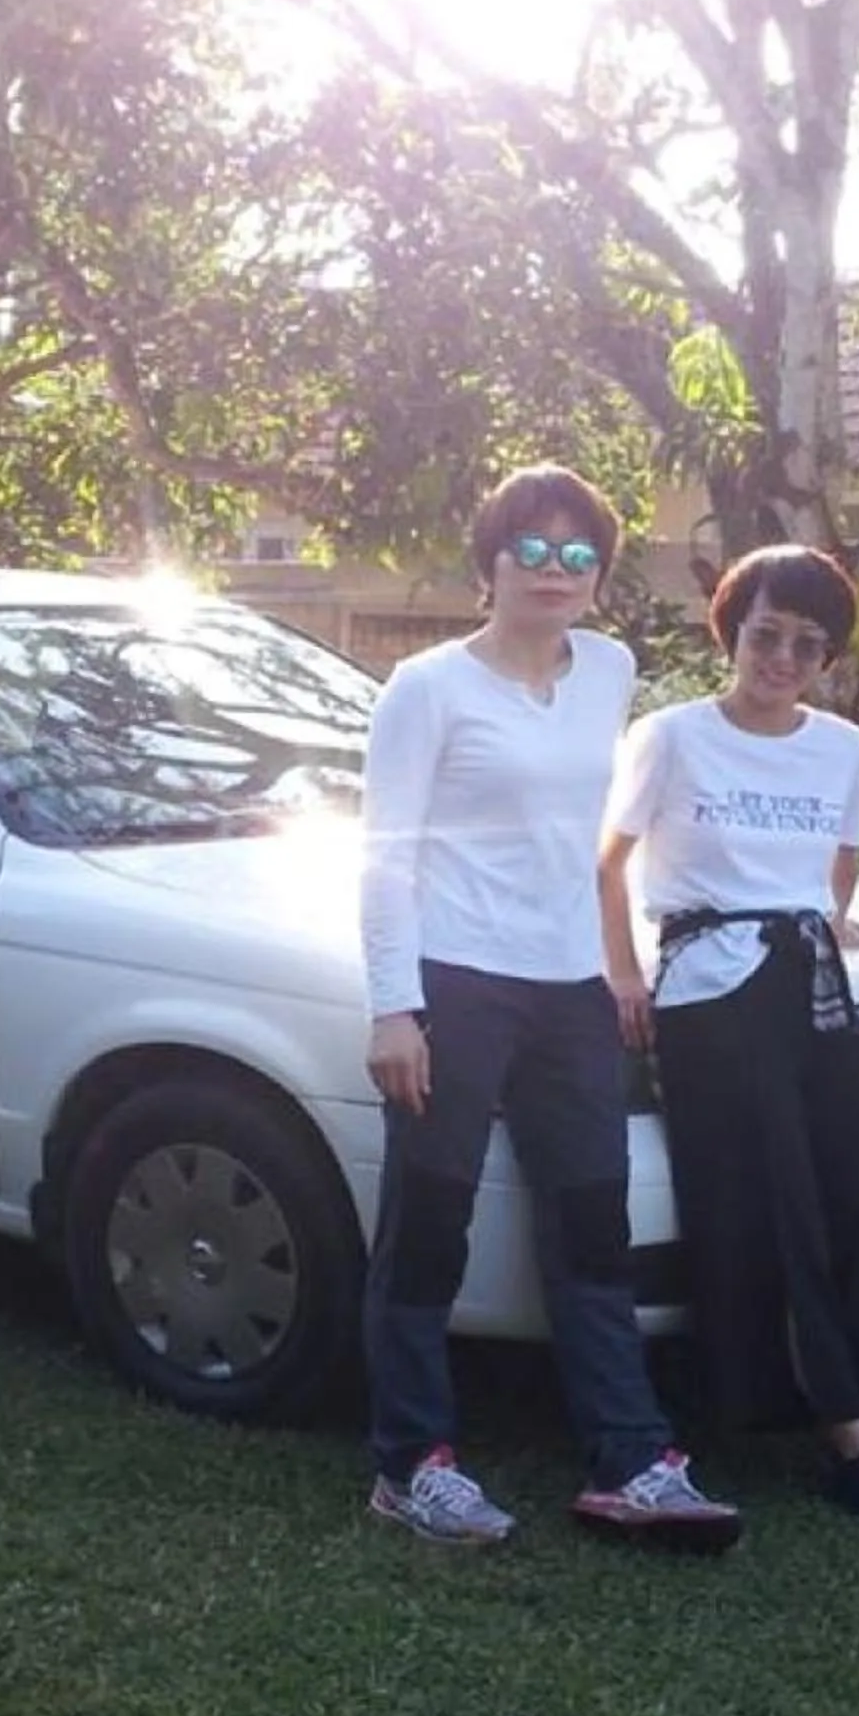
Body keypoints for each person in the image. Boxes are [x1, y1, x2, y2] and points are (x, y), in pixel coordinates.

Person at [356, 463, 745, 1551]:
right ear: (489, 562)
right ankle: (411, 1463)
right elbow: (385, 855)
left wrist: (619, 963)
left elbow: (595, 834)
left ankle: (632, 1459)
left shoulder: (609, 668)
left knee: (591, 1227)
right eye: (532, 549)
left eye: (579, 555)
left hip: (570, 985)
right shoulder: (427, 687)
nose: (554, 570)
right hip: (455, 982)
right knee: (428, 1225)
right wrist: (396, 1005)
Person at [598, 545, 859, 1536]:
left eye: (807, 644)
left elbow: (840, 861)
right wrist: (625, 974)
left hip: (811, 983)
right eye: (765, 634)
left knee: (858, 1192)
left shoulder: (843, 747)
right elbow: (609, 865)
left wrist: (828, 918)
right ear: (731, 629)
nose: (782, 658)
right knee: (774, 1206)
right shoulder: (671, 736)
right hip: (711, 992)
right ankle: (848, 1435)